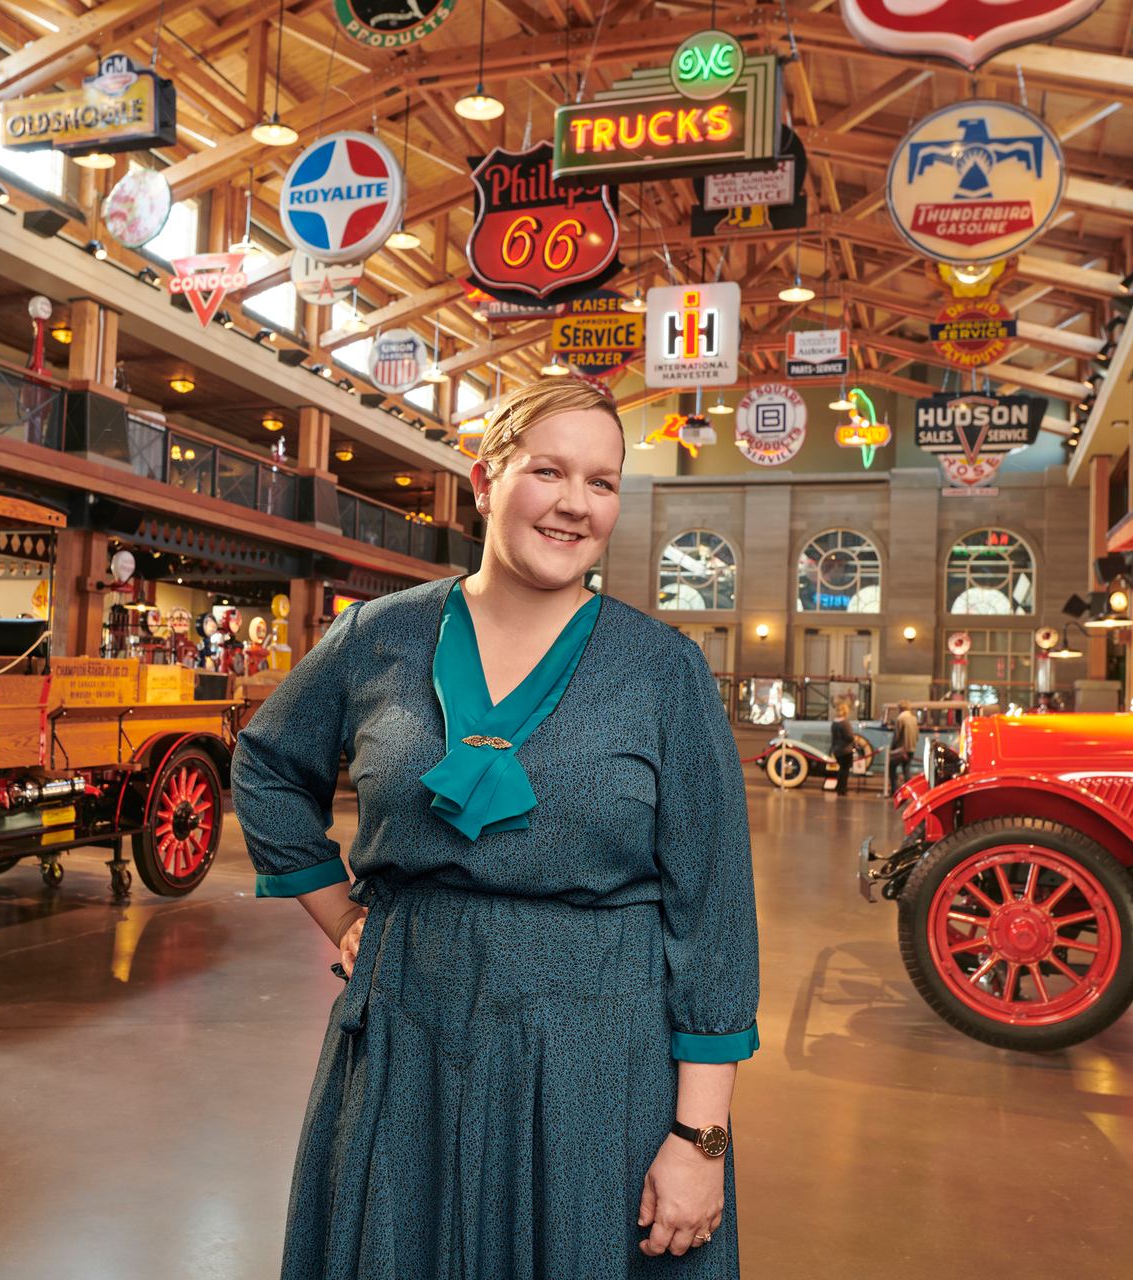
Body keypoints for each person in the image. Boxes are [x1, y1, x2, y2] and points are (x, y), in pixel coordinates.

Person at [234, 377, 760, 1279]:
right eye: (547, 470)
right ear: (484, 480)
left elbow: (713, 917)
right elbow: (268, 768)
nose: (573, 504)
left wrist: (699, 1140)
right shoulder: (376, 638)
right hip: (408, 1047)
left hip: (599, 1063)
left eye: (602, 483)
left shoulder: (662, 670)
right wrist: (342, 915)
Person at [889, 700, 919, 794]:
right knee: (906, 770)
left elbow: (896, 736)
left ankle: (895, 790)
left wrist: (891, 748)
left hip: (901, 749)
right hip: (911, 748)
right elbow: (917, 735)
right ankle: (908, 791)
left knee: (892, 767)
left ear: (900, 708)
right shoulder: (914, 718)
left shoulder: (900, 718)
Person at [827, 699, 855, 796]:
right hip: (846, 750)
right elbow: (849, 737)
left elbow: (833, 738)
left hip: (837, 749)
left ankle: (839, 787)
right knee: (845, 770)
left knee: (840, 770)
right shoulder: (845, 723)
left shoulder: (834, 723)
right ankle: (842, 789)